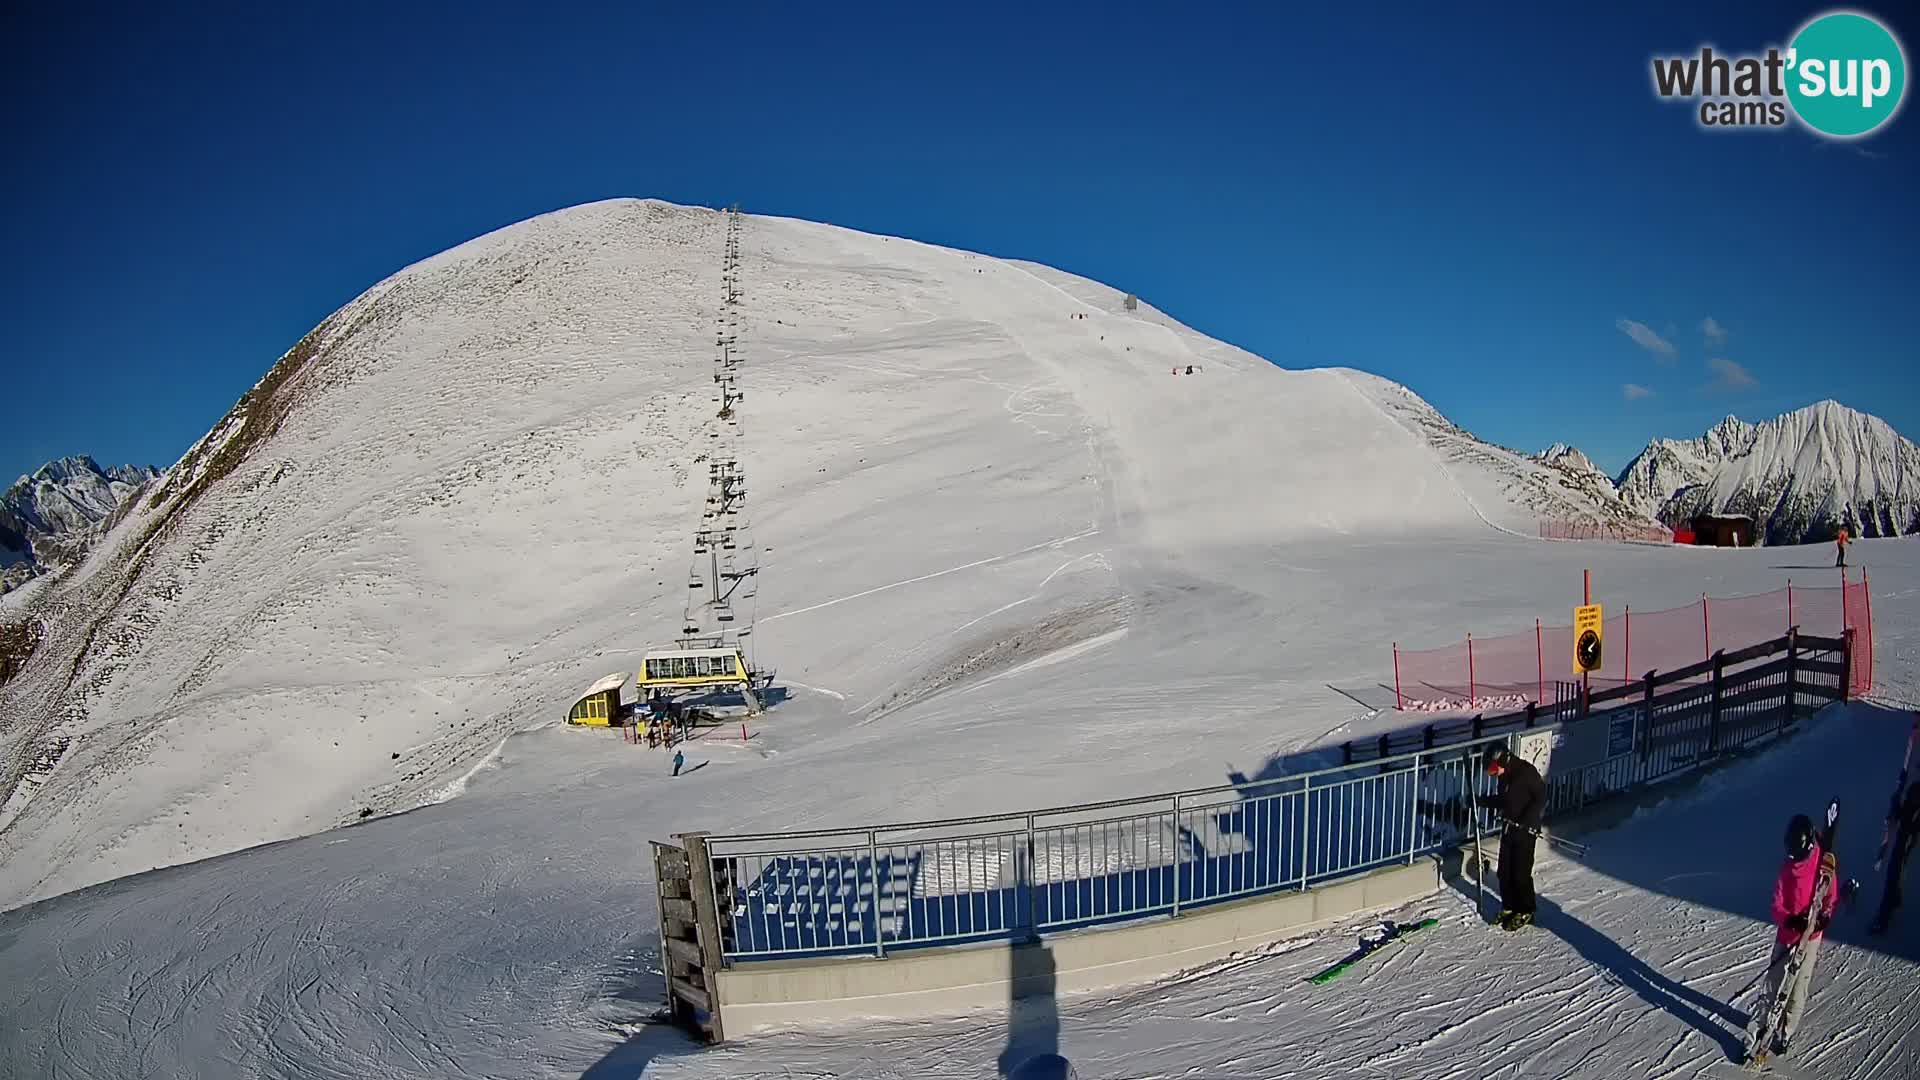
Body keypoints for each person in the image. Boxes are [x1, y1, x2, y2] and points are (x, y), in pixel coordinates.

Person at [1756, 814, 1839, 1058]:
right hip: (1787, 936)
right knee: (1772, 985)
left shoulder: (1823, 866)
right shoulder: (1786, 869)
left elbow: (1830, 898)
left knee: (1798, 988)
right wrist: (1790, 920)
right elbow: (1777, 905)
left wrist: (1823, 917)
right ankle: (1760, 1027)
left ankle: (1786, 1032)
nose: (1793, 860)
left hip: (1809, 940)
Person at [1486, 747, 1547, 931]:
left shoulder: (1527, 772)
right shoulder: (1505, 777)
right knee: (1504, 871)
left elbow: (1541, 798)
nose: (1495, 775)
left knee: (1520, 873)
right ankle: (1509, 906)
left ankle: (1526, 909)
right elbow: (1504, 800)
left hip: (1525, 831)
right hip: (1508, 828)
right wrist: (1482, 801)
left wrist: (1526, 821)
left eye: (1495, 770)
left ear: (1504, 760)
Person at [1870, 781, 1920, 934]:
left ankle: (1884, 917)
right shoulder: (1915, 787)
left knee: (1894, 873)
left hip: (1908, 838)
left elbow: (1913, 822)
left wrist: (1907, 821)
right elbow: (1903, 812)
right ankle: (1895, 898)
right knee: (1896, 871)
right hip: (1904, 836)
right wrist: (1896, 805)